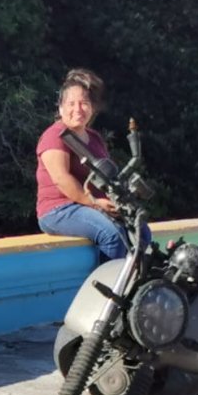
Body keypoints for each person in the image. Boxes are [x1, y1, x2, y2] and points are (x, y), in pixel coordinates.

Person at [35, 68, 130, 260]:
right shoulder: (54, 136)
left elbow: (106, 176)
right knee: (111, 234)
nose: (78, 109)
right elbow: (62, 179)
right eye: (71, 103)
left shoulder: (94, 138)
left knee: (141, 232)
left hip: (91, 207)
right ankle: (107, 286)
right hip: (58, 210)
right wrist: (94, 203)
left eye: (84, 103)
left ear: (92, 108)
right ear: (60, 108)